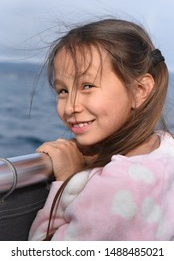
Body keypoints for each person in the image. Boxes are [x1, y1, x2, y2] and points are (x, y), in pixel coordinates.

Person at [28, 18, 174, 241]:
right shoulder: (165, 146)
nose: (70, 107)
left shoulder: (119, 184)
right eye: (63, 90)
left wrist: (69, 180)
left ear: (140, 90)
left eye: (87, 86)